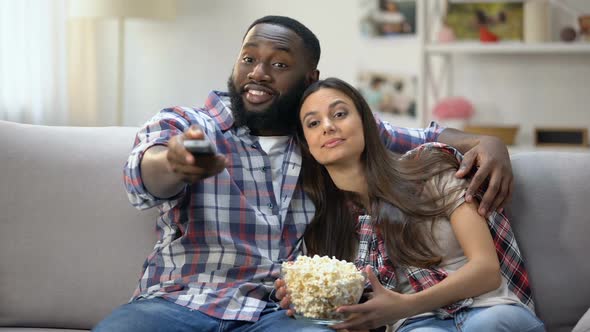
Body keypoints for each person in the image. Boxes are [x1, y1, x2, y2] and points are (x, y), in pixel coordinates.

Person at [94, 15, 514, 331]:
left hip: (281, 315)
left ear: (308, 78)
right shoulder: (187, 125)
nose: (258, 73)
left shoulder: (323, 138)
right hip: (177, 303)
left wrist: (489, 144)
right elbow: (143, 178)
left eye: (279, 65)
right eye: (249, 59)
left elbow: (431, 135)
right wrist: (174, 163)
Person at [275, 77, 543, 331]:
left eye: (340, 114)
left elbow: (486, 271)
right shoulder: (325, 229)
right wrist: (308, 303)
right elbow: (357, 319)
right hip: (417, 325)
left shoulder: (429, 168)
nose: (327, 126)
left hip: (488, 308)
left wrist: (404, 305)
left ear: (366, 122)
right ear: (306, 144)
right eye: (313, 123)